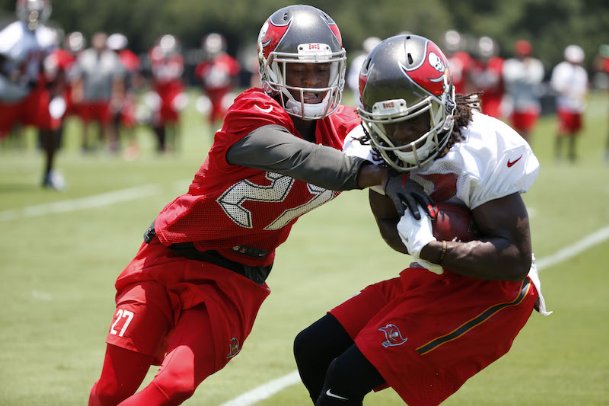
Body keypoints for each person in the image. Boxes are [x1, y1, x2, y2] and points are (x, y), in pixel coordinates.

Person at [88, 6, 406, 405]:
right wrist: (370, 173)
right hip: (169, 255)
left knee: (176, 384)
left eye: (319, 71)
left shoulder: (346, 129)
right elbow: (298, 156)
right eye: (298, 72)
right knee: (110, 389)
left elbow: (405, 143)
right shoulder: (252, 111)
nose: (310, 83)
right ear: (271, 70)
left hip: (235, 276)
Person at [294, 34, 550, 406]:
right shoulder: (371, 148)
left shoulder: (482, 147)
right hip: (433, 275)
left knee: (345, 378)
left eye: (413, 121)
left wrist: (435, 247)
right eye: (388, 124)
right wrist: (416, 239)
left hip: (495, 290)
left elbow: (514, 259)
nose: (400, 136)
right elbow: (387, 222)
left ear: (443, 105)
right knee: (313, 348)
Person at [0, 0, 64, 189]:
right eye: (30, 12)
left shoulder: (46, 35)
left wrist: (49, 79)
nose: (33, 16)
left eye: (36, 12)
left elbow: (46, 63)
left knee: (51, 127)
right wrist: (14, 75)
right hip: (9, 91)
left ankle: (49, 173)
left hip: (33, 91)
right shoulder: (12, 33)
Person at [71, 32, 125, 153]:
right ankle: (84, 145)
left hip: (105, 96)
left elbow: (118, 78)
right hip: (88, 95)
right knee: (85, 122)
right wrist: (77, 91)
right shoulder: (85, 56)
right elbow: (78, 76)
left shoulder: (111, 57)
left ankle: (111, 146)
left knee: (107, 122)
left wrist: (117, 95)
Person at [147, 34, 185, 153]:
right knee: (158, 120)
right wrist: (152, 93)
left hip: (173, 93)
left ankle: (174, 145)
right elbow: (151, 77)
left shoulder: (178, 60)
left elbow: (181, 79)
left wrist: (181, 95)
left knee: (174, 121)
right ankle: (161, 145)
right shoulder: (155, 59)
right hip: (160, 93)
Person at [195, 32, 241, 133]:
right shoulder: (203, 65)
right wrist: (204, 96)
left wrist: (231, 93)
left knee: (227, 116)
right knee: (211, 119)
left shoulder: (228, 62)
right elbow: (201, 82)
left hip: (224, 93)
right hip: (210, 95)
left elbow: (233, 79)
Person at [550, 44, 588, 162]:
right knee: (561, 129)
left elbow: (584, 87)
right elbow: (556, 85)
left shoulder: (581, 71)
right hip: (564, 104)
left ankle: (571, 153)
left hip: (577, 105)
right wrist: (568, 91)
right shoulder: (561, 69)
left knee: (574, 131)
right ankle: (558, 153)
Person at [502, 40, 545, 143]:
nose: (523, 57)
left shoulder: (536, 64)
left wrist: (522, 76)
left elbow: (536, 79)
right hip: (513, 103)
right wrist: (525, 72)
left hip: (530, 103)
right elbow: (510, 78)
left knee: (528, 132)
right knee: (513, 132)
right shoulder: (510, 64)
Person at [469, 36, 504, 118]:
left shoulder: (498, 63)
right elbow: (471, 85)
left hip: (493, 101)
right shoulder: (474, 65)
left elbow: (501, 85)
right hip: (479, 100)